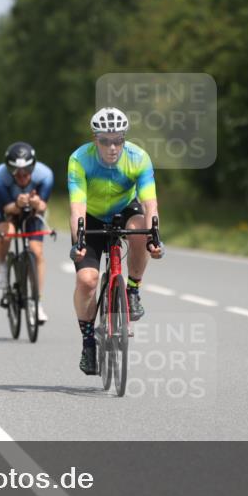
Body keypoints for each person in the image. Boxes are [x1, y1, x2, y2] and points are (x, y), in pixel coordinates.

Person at [68, 107, 163, 375]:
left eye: (118, 140)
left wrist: (154, 237)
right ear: (94, 138)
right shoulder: (79, 159)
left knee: (140, 231)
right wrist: (79, 241)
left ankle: (132, 289)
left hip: (125, 209)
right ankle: (88, 343)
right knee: (87, 280)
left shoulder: (138, 158)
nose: (112, 146)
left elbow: (149, 203)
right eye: (105, 140)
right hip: (91, 215)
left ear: (124, 138)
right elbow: (77, 207)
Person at [0, 142, 54, 323]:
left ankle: (37, 302)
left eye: (26, 170)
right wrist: (18, 203)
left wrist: (35, 203)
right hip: (8, 206)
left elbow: (42, 207)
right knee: (7, 233)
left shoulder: (45, 175)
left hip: (32, 212)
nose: (21, 175)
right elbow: (7, 208)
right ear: (8, 168)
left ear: (33, 166)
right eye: (16, 170)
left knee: (36, 251)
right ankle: (2, 264)